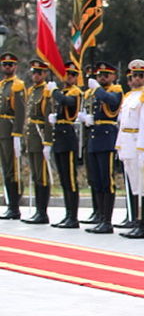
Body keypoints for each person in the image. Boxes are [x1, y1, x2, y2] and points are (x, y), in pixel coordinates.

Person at [115, 60, 144, 239]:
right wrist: (119, 145)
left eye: (141, 75)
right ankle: (136, 222)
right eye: (134, 75)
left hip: (139, 144)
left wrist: (142, 147)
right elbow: (122, 123)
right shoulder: (129, 96)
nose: (137, 78)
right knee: (134, 186)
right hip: (127, 143)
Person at [84, 61, 124, 234]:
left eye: (105, 75)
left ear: (113, 76)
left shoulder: (116, 90)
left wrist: (98, 90)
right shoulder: (94, 93)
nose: (101, 78)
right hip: (94, 137)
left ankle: (107, 220)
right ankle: (100, 217)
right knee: (97, 181)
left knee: (107, 181)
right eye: (99, 75)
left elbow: (112, 102)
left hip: (107, 138)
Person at [48, 66, 83, 229]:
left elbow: (66, 102)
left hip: (68, 137)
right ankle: (68, 214)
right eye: (67, 74)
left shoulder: (75, 92)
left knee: (70, 180)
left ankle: (73, 217)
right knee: (63, 178)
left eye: (72, 75)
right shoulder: (64, 91)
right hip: (60, 137)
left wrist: (54, 90)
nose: (69, 77)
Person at [22, 59, 54, 224]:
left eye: (39, 72)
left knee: (42, 176)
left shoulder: (46, 91)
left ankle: (43, 212)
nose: (35, 75)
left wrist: (48, 143)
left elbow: (48, 119)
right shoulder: (32, 90)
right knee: (35, 175)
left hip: (41, 136)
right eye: (33, 72)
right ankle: (38, 211)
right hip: (32, 137)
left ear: (45, 74)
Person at [0, 52, 25, 219]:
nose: (7, 67)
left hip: (10, 130)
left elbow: (21, 111)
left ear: (15, 67)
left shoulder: (18, 85)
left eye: (10, 64)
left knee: (12, 169)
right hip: (1, 130)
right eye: (5, 64)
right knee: (5, 168)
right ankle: (10, 205)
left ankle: (14, 207)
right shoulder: (2, 85)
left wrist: (17, 133)